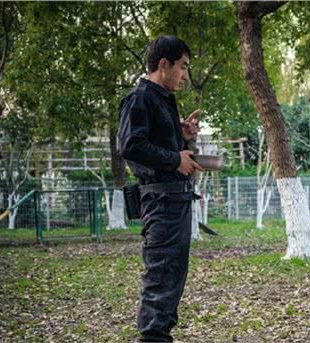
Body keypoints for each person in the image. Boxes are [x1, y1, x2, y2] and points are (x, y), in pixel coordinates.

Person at [117, 35, 204, 342]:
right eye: (182, 67)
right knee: (161, 277)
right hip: (160, 203)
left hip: (175, 203)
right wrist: (173, 158)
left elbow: (165, 150)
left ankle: (159, 336)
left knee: (172, 278)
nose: (185, 75)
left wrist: (183, 138)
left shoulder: (163, 100)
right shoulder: (140, 98)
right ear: (163, 64)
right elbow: (130, 145)